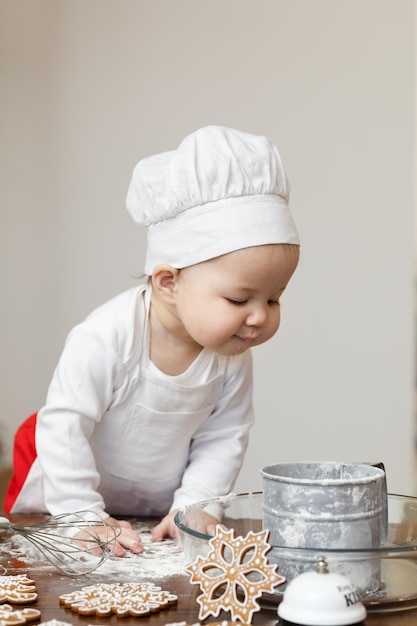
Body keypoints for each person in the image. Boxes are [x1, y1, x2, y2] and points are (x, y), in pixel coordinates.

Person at [5, 126, 300, 557]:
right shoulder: (106, 337)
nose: (259, 316)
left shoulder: (230, 352)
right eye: (240, 298)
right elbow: (65, 427)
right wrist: (82, 516)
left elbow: (225, 436)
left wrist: (195, 507)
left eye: (274, 298)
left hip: (148, 507)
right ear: (167, 283)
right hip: (62, 496)